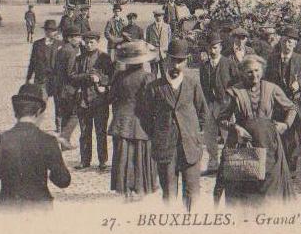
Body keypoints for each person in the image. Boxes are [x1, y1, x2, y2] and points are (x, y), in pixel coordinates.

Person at [214, 55, 296, 205]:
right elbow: (220, 119)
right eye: (249, 72)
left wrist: (285, 125)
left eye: (257, 70)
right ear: (242, 73)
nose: (254, 75)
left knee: (270, 187)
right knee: (242, 186)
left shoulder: (272, 89)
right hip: (243, 145)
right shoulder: (234, 91)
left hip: (268, 145)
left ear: (262, 71)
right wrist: (235, 127)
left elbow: (291, 108)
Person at [0, 84, 71, 210]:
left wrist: (3, 167)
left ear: (16, 112)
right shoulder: (48, 141)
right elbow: (63, 181)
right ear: (39, 111)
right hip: (40, 209)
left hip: (8, 209)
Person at [141, 39, 208, 210]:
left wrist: (194, 133)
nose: (176, 65)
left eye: (180, 61)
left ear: (186, 61)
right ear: (166, 60)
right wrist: (158, 134)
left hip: (190, 146)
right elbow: (145, 117)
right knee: (169, 192)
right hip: (166, 147)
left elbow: (203, 112)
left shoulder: (193, 84)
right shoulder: (154, 87)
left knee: (193, 192)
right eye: (173, 60)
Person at [109, 40, 158, 199]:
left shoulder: (119, 76)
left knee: (124, 155)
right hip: (140, 122)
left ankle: (125, 188)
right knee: (140, 154)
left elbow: (111, 97)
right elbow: (151, 101)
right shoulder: (148, 77)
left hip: (121, 121)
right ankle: (140, 187)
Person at [265, 26, 301, 177]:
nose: (287, 45)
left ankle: (291, 167)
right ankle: (280, 165)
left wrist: (298, 84)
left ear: (295, 44)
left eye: (291, 42)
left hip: (294, 103)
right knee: (278, 134)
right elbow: (266, 79)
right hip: (277, 105)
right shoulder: (272, 59)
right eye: (285, 41)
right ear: (281, 42)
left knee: (293, 136)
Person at [71, 32, 113, 171]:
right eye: (87, 42)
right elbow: (72, 77)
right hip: (83, 100)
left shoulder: (105, 58)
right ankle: (85, 160)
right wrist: (88, 77)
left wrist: (100, 79)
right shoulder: (79, 59)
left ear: (97, 42)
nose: (89, 45)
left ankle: (102, 160)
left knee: (101, 132)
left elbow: (111, 77)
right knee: (84, 132)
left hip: (99, 100)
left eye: (92, 42)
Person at [200, 32, 238, 175]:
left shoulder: (228, 63)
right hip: (210, 104)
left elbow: (236, 83)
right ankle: (213, 162)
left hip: (226, 104)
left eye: (215, 47)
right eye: (210, 47)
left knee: (227, 133)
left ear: (220, 47)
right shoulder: (204, 66)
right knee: (209, 134)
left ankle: (230, 163)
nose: (212, 50)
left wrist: (232, 101)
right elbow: (203, 85)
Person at [26, 19, 60, 129]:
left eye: (52, 31)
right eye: (48, 30)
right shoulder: (37, 44)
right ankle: (36, 127)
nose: (50, 33)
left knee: (59, 104)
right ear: (45, 31)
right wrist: (28, 77)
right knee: (41, 102)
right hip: (41, 79)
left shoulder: (60, 45)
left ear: (56, 32)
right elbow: (32, 61)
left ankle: (59, 127)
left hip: (56, 80)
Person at [54, 26, 83, 150]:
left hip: (60, 88)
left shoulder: (62, 49)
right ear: (70, 38)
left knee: (66, 114)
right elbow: (71, 73)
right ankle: (64, 137)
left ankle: (65, 145)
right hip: (69, 89)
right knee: (76, 114)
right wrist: (84, 76)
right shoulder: (71, 51)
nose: (79, 39)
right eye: (77, 37)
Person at [145, 9, 172, 78]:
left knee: (164, 73)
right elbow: (147, 41)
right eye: (156, 16)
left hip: (164, 54)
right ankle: (154, 88)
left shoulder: (167, 27)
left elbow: (169, 40)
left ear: (163, 16)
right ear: (154, 16)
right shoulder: (150, 27)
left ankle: (164, 88)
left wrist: (167, 50)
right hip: (154, 54)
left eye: (160, 16)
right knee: (153, 73)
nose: (158, 17)